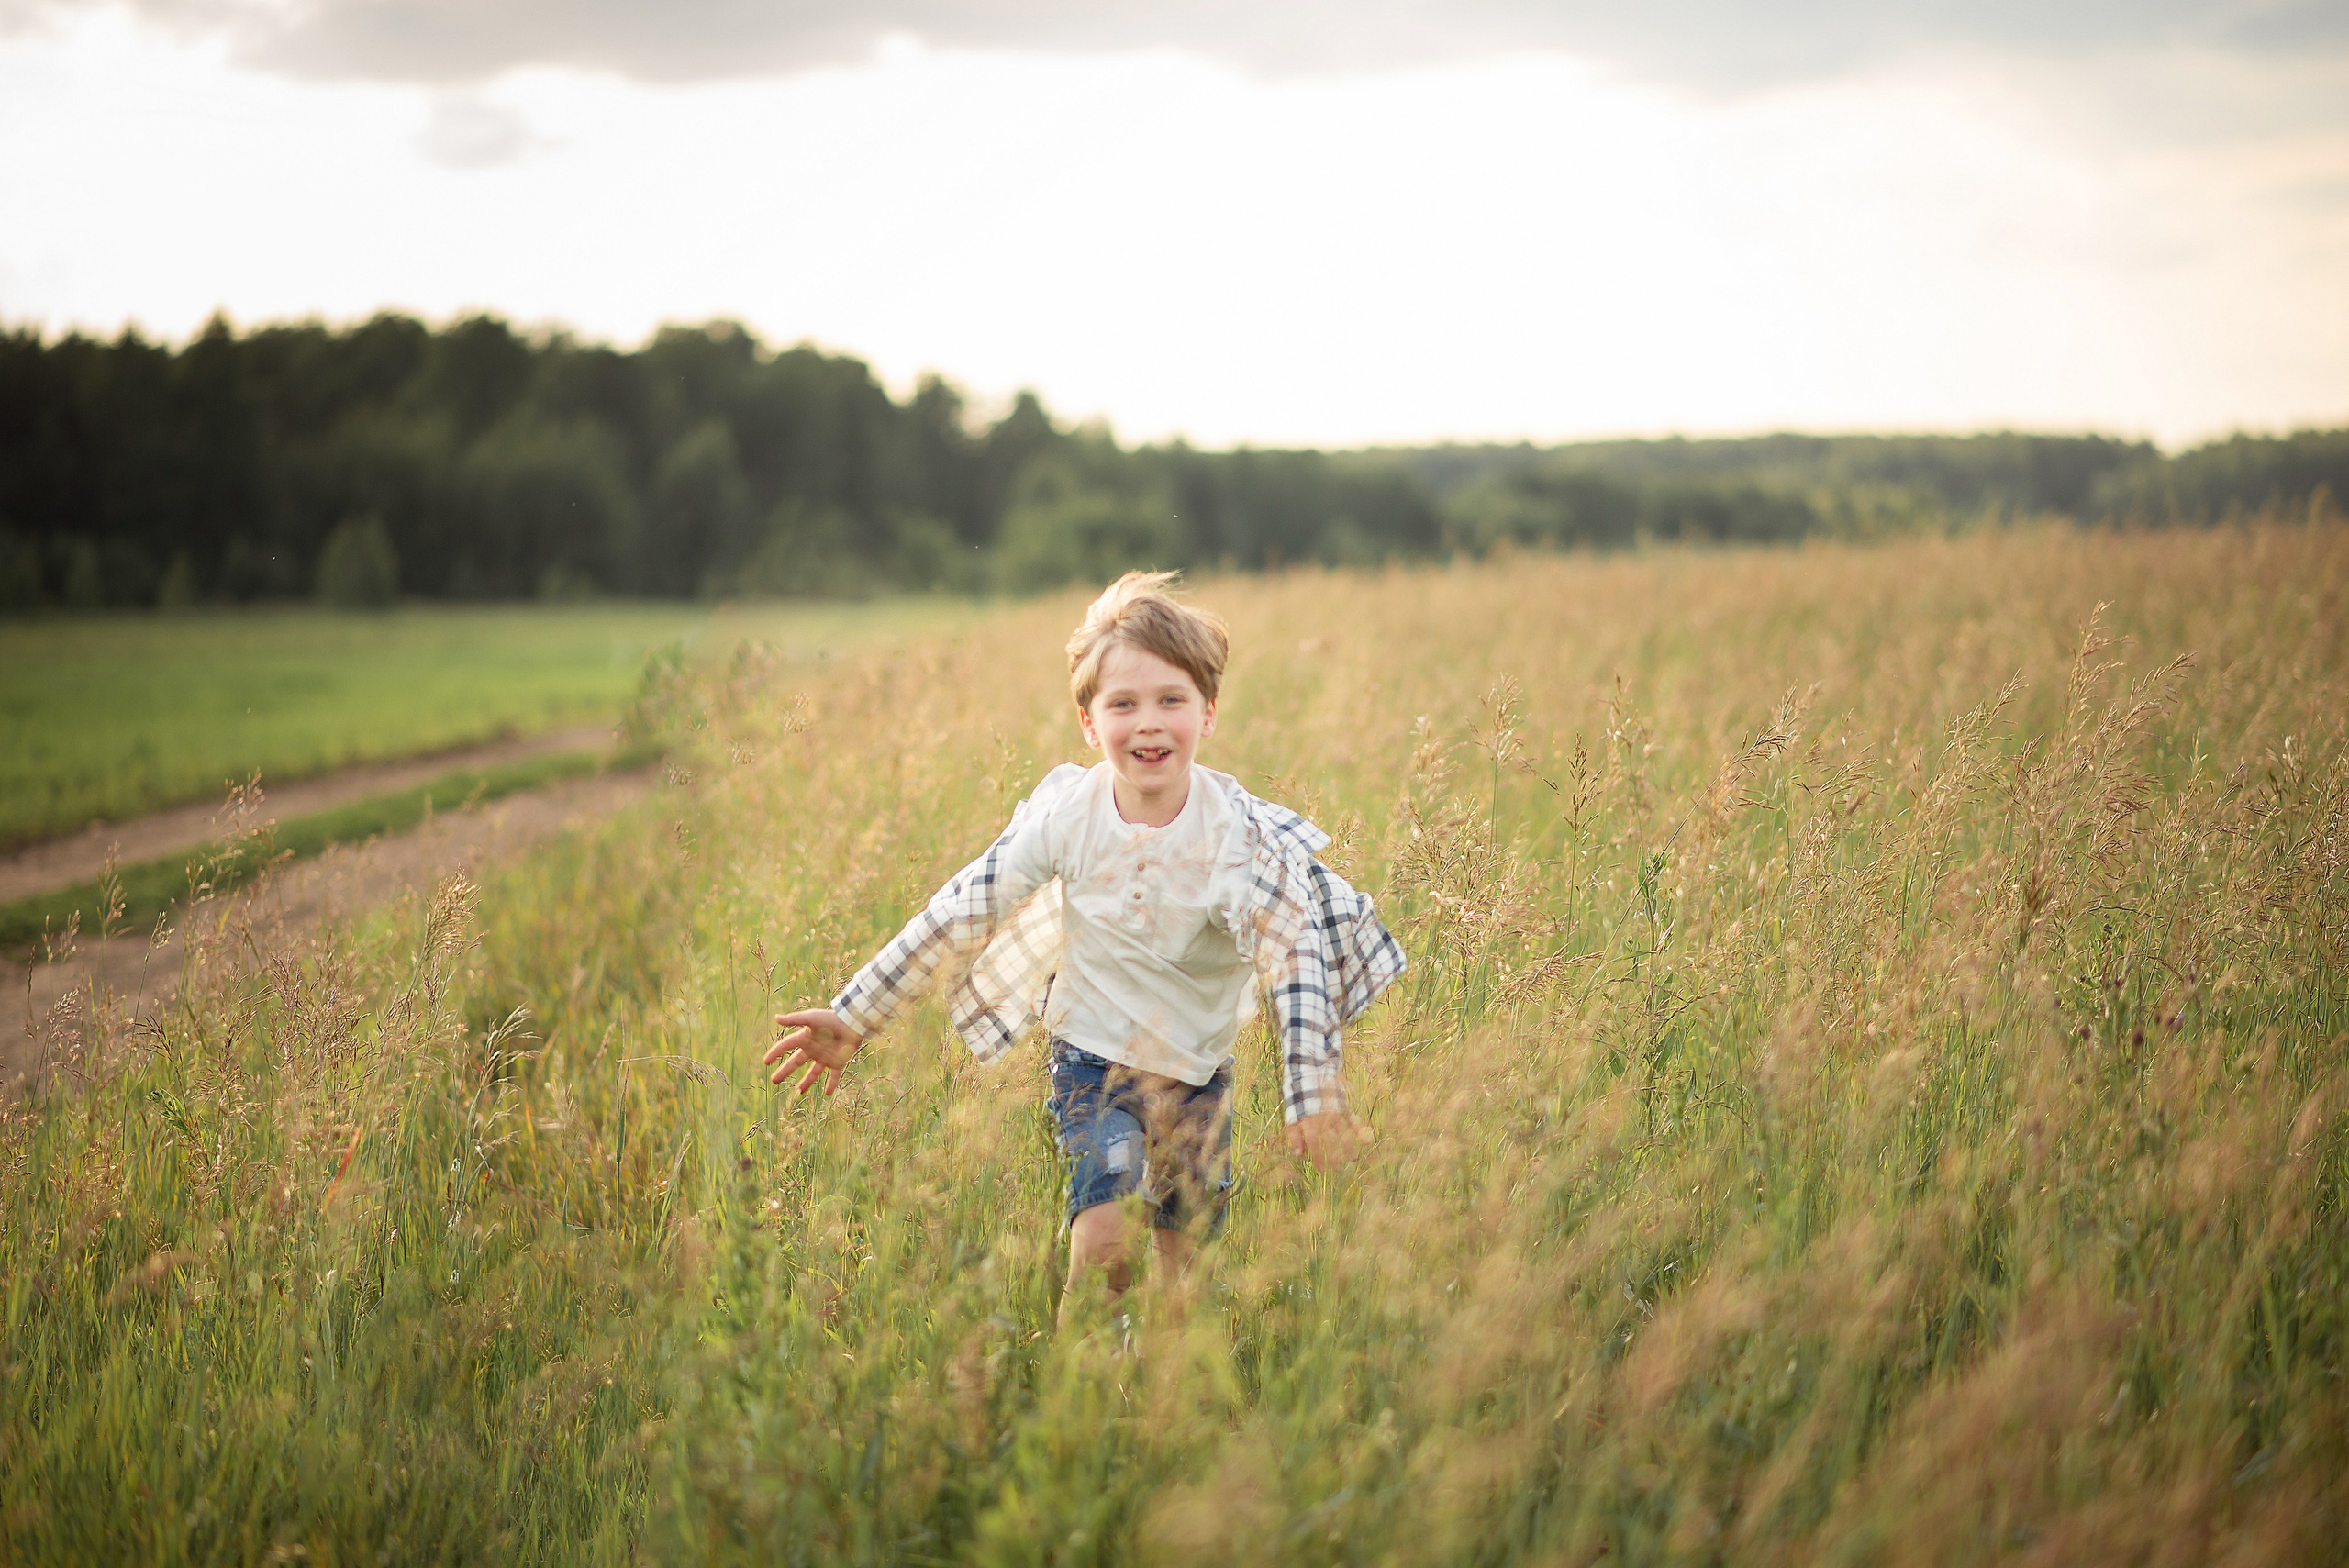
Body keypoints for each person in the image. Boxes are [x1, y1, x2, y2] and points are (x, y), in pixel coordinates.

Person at [762, 571, 1405, 1321]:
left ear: (1209, 711)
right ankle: (1082, 1395)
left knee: (1184, 1282)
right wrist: (857, 1015)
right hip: (1092, 1062)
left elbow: (1297, 963)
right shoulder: (1068, 816)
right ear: (1090, 723)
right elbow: (963, 909)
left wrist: (1314, 1095)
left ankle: (1157, 1409)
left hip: (1198, 1077)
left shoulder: (1239, 840)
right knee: (1106, 1246)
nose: (1149, 723)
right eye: (1123, 703)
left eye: (1172, 700)